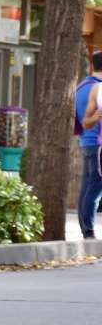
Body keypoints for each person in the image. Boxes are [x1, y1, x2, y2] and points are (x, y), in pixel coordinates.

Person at [73, 51, 102, 239]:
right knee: (95, 187)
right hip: (96, 143)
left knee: (87, 186)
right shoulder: (98, 88)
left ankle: (85, 228)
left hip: (85, 140)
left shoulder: (81, 86)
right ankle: (88, 231)